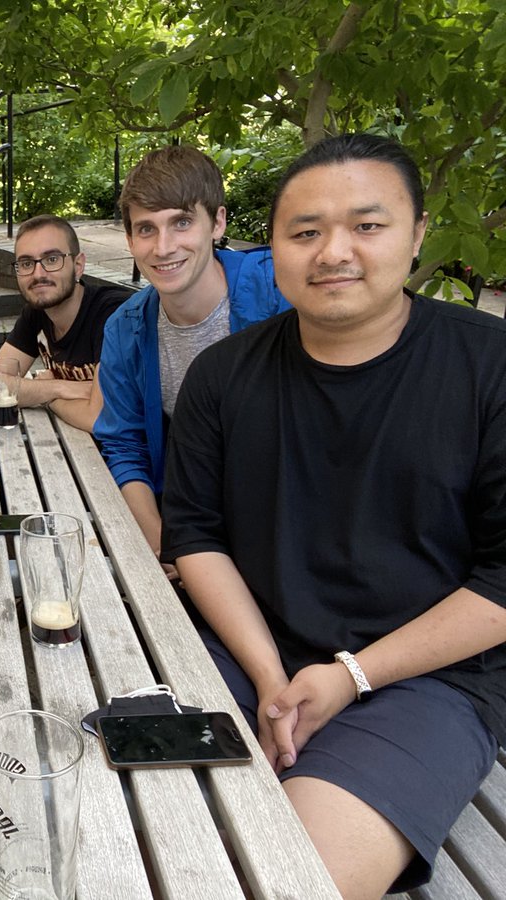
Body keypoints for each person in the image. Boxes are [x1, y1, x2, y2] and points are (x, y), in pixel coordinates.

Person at [162, 133, 506, 898]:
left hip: (426, 682)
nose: (334, 251)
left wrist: (350, 676)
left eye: (368, 226)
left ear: (418, 235)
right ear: (272, 249)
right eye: (306, 231)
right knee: (142, 825)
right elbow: (194, 533)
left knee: (287, 881)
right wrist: (269, 676)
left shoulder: (489, 366)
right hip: (247, 651)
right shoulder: (224, 376)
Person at [94, 146, 289, 577]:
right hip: (192, 525)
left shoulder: (279, 292)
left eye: (181, 222)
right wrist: (165, 545)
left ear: (217, 222)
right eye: (146, 229)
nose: (163, 248)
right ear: (129, 240)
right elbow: (124, 445)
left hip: (288, 528)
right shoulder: (125, 328)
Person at [0, 213, 133, 432]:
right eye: (27, 263)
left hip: (127, 456)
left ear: (78, 266)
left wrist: (48, 398)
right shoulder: (36, 313)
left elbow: (97, 417)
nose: (38, 274)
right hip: (77, 446)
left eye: (52, 260)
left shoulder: (112, 314)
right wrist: (60, 387)